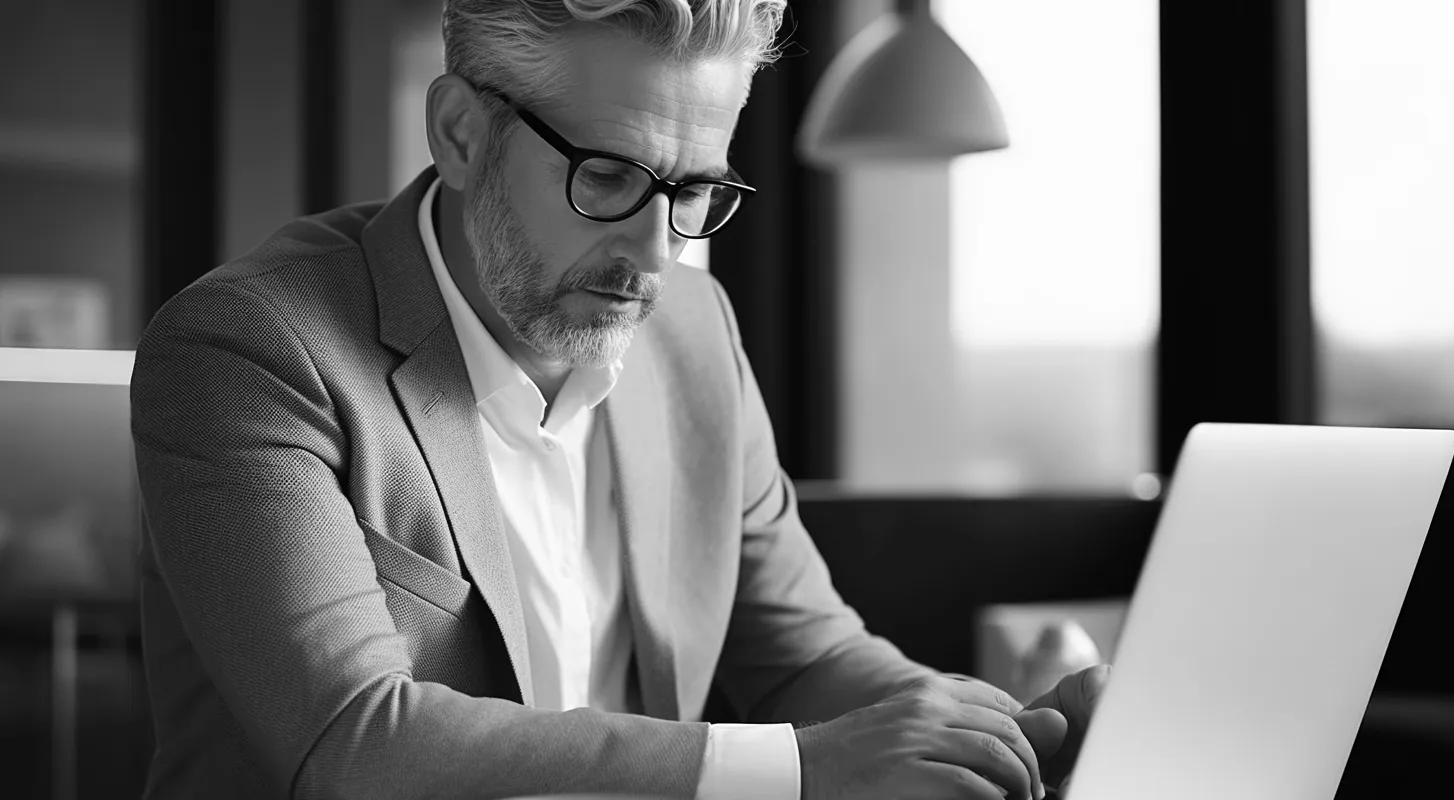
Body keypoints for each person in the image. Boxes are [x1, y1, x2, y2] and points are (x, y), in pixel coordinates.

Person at [130, 1, 1106, 798]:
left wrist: (1001, 738)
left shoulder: (692, 331)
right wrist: (804, 765)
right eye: (608, 176)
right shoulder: (248, 347)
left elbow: (806, 655)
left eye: (694, 192)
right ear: (462, 133)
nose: (654, 256)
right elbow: (352, 739)